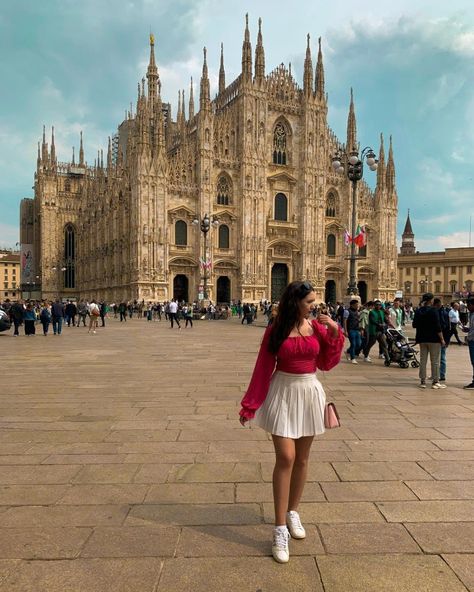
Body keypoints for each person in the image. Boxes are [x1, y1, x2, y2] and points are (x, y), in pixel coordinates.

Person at [239, 281, 344, 564]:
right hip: (283, 392)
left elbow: (327, 363)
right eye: (309, 301)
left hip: (309, 391)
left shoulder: (318, 327)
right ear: (295, 301)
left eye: (315, 301)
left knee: (302, 460)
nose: (315, 305)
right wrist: (250, 404)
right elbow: (263, 367)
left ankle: (293, 511)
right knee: (286, 457)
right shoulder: (276, 329)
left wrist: (335, 334)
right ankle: (279, 528)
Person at [412, 293, 446, 389]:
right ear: (431, 300)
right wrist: (442, 339)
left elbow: (414, 325)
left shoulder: (418, 311)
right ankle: (435, 381)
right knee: (435, 361)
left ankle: (422, 381)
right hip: (434, 339)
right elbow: (437, 326)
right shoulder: (433, 311)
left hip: (422, 339)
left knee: (423, 360)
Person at [433, 298, 450, 382]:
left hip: (437, 338)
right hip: (443, 338)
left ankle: (437, 375)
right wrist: (447, 340)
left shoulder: (435, 313)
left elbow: (439, 327)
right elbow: (448, 328)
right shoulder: (446, 313)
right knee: (442, 357)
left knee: (437, 358)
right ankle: (441, 375)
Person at [343, 299, 362, 363]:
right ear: (352, 305)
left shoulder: (357, 311)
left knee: (359, 344)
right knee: (353, 344)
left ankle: (348, 351)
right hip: (350, 330)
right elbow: (345, 321)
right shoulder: (347, 311)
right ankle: (353, 358)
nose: (358, 306)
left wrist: (360, 329)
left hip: (357, 329)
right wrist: (345, 331)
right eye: (356, 305)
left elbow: (357, 320)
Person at [462, 297, 474, 389]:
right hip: (471, 339)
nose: (467, 307)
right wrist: (468, 329)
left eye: (469, 305)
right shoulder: (471, 314)